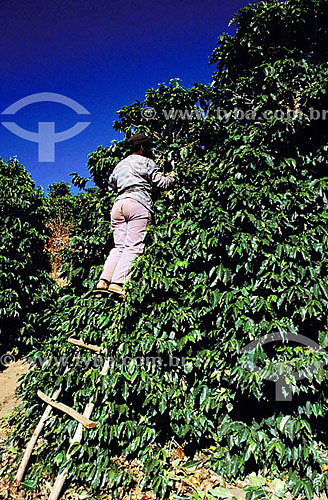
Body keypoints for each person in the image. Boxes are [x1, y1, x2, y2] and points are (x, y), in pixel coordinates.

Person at [96, 133, 176, 295]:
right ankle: (118, 283)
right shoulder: (147, 162)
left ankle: (103, 281)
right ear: (142, 147)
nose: (150, 150)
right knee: (134, 246)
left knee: (119, 246)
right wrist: (174, 177)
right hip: (138, 204)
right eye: (148, 147)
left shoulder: (120, 165)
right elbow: (161, 183)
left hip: (118, 205)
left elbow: (111, 185)